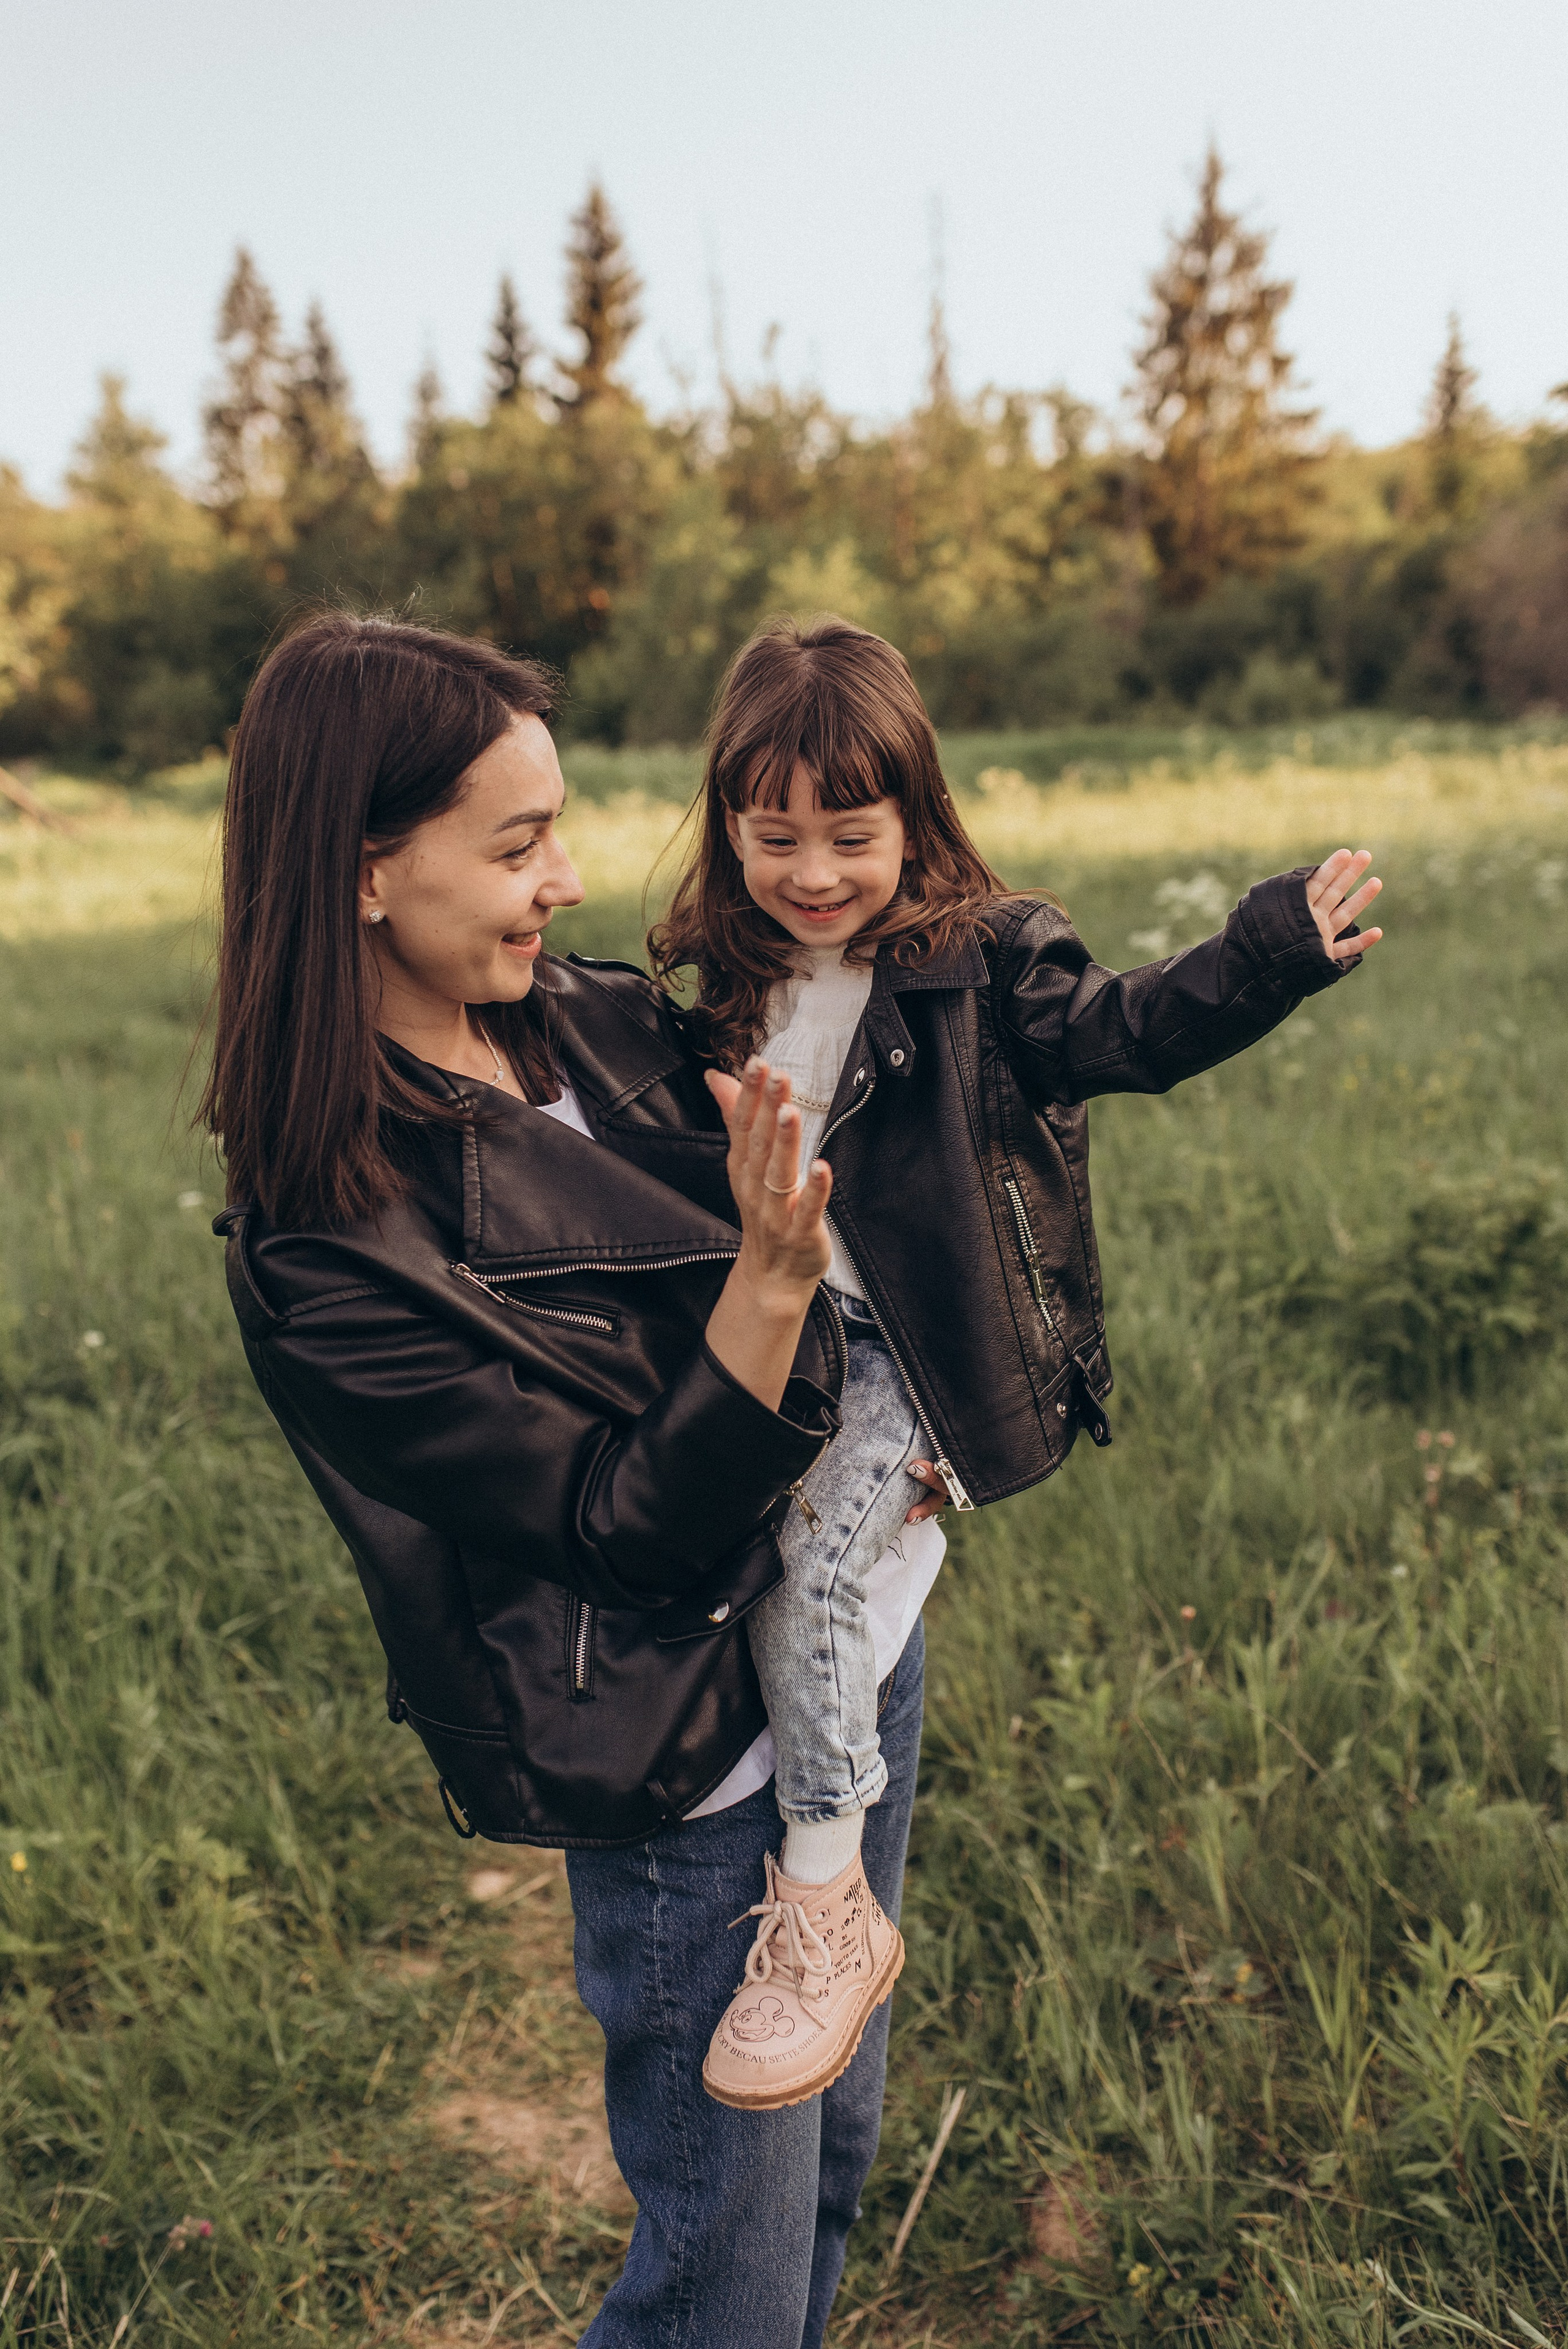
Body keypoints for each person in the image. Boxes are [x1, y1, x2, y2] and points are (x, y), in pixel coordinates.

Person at [202, 611, 947, 2348]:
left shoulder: (586, 1025)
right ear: (363, 871)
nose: (570, 880)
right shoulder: (331, 1250)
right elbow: (627, 1536)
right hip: (678, 1748)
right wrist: (765, 1285)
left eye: (562, 830)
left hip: (841, 1650)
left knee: (829, 2161)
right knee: (724, 2282)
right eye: (519, 842)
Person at [648, 615, 1385, 2111]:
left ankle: (823, 1899)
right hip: (766, 1327)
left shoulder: (984, 966)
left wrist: (1264, 955)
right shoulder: (723, 979)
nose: (806, 873)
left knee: (816, 1568)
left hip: (906, 1351)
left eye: (847, 836)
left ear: (915, 821)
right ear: (727, 827)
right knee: (712, 1556)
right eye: (769, 835)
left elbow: (1130, 1029)